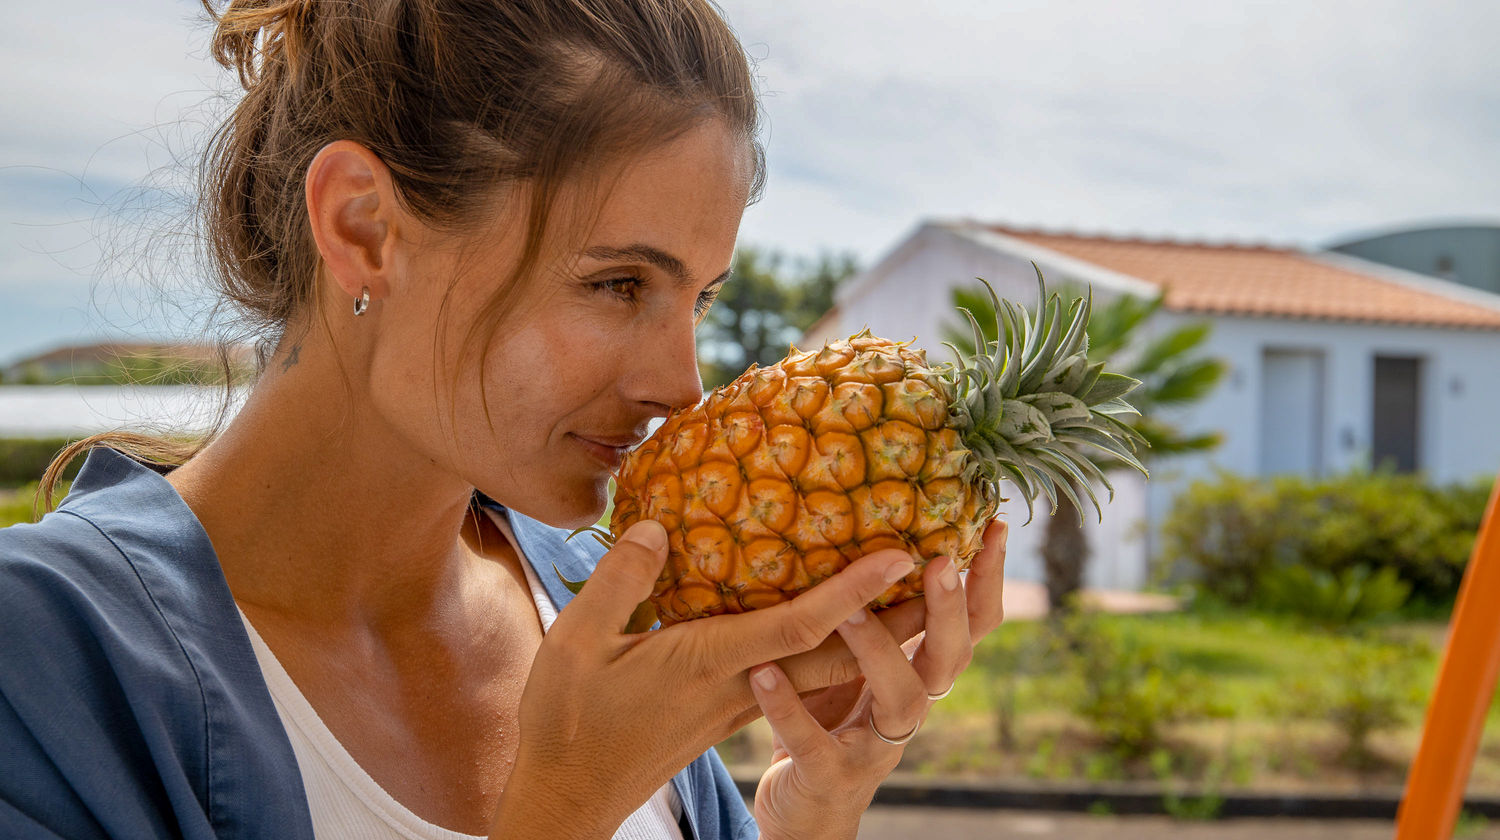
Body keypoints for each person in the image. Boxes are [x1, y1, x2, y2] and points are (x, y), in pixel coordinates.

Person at [0, 1, 1010, 838]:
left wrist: (809, 811)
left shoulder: (602, 603)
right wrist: (564, 809)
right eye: (618, 284)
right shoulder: (43, 665)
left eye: (697, 298)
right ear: (366, 229)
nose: (682, 386)